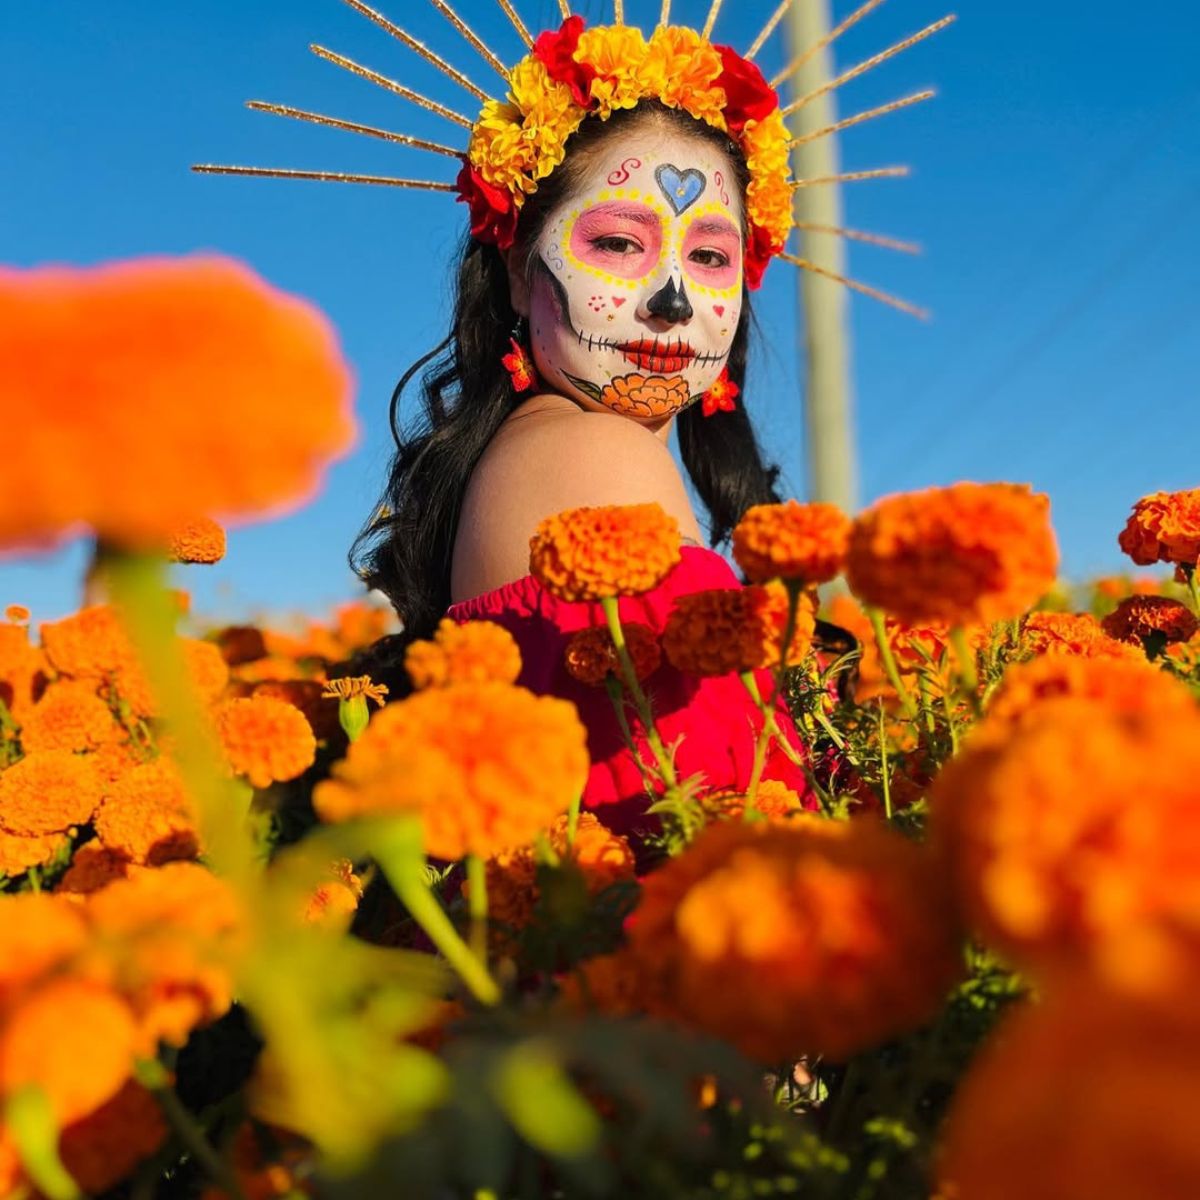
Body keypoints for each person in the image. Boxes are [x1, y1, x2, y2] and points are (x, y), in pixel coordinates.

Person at [344, 19, 844, 839]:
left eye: (711, 256)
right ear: (514, 269)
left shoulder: (543, 453)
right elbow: (685, 823)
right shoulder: (590, 449)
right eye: (618, 242)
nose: (673, 300)